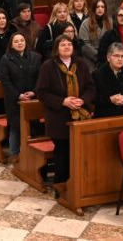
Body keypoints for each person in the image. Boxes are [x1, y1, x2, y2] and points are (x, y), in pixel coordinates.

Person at [36, 35, 95, 185]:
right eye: (63, 45)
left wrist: (83, 100)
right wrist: (63, 101)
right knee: (62, 152)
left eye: (69, 44)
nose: (67, 47)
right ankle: (61, 186)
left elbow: (90, 87)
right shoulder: (48, 66)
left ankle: (78, 183)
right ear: (57, 48)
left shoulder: (81, 64)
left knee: (79, 152)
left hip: (80, 114)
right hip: (58, 117)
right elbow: (42, 93)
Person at [0, 33, 41, 161]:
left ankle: (32, 153)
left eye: (22, 40)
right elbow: (5, 82)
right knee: (16, 128)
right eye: (16, 41)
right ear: (11, 45)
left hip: (32, 98)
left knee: (34, 125)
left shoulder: (35, 57)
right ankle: (15, 153)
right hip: (14, 99)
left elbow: (40, 78)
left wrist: (34, 92)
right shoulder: (6, 59)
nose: (20, 43)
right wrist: (18, 95)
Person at [93, 43, 123, 118]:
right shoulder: (97, 74)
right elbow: (93, 98)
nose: (120, 59)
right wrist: (110, 100)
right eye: (116, 56)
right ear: (108, 58)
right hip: (105, 117)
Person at [78, 0, 113, 67]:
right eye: (97, 7)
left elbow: (113, 40)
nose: (100, 9)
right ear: (94, 8)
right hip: (91, 57)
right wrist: (99, 56)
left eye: (102, 7)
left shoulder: (110, 21)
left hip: (108, 56)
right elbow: (84, 44)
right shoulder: (86, 23)